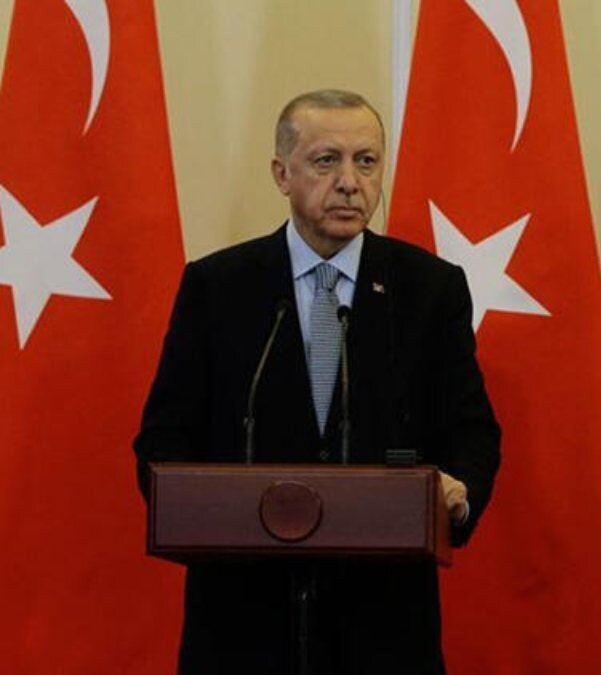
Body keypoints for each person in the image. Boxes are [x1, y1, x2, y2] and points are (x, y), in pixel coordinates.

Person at [134, 90, 500, 674]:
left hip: (381, 627)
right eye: (327, 160)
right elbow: (164, 440)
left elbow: (471, 430)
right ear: (282, 174)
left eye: (366, 161)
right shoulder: (219, 286)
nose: (350, 182)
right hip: (244, 625)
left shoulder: (428, 288)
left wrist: (458, 493)